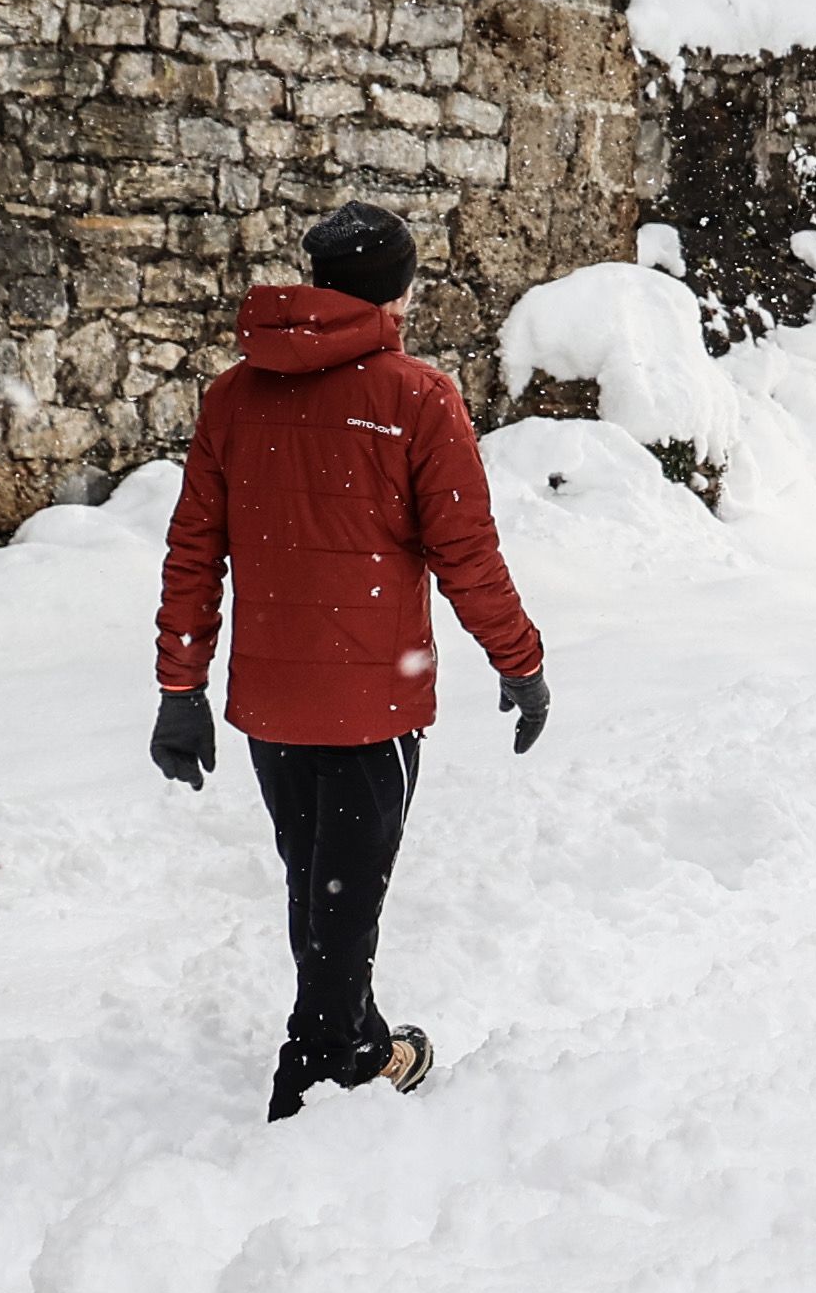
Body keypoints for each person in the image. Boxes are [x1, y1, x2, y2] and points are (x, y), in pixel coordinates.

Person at [149, 202, 553, 1119]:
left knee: (318, 883)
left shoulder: (234, 395)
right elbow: (468, 556)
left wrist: (182, 689)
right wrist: (519, 662)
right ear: (398, 293)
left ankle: (357, 1036)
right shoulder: (417, 399)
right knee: (343, 896)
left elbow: (191, 550)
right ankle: (322, 1070)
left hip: (273, 704)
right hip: (374, 708)